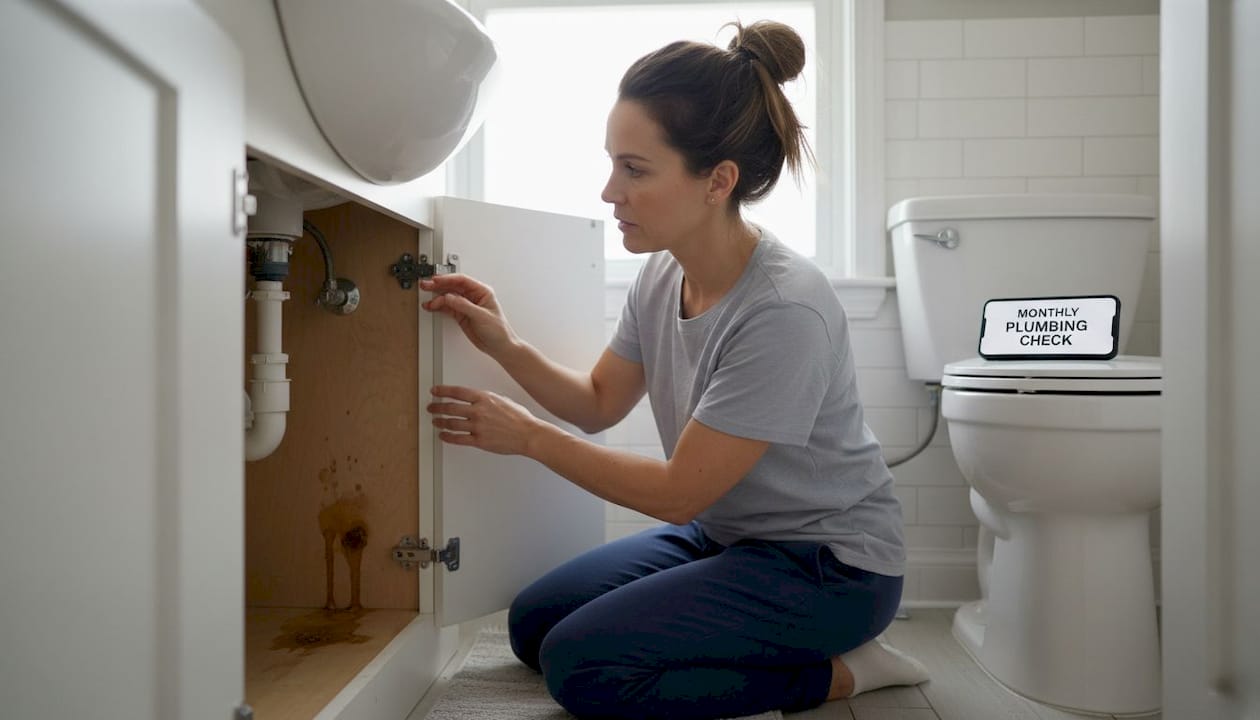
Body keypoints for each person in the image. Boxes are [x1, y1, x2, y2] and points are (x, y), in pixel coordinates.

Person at [420, 19, 928, 720]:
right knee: (534, 626)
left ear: (717, 181)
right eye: (612, 163)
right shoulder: (662, 274)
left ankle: (840, 673)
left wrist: (529, 437)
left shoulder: (785, 310)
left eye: (635, 169)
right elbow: (600, 401)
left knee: (581, 667)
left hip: (829, 569)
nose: (608, 191)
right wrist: (504, 343)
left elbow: (676, 493)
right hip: (727, 537)